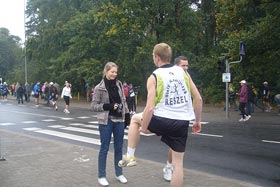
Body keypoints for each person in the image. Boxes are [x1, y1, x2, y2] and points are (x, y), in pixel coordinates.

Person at [118, 43, 203, 187]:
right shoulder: (184, 73)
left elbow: (150, 108)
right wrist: (197, 121)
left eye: (153, 55)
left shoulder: (154, 76)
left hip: (161, 120)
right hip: (181, 122)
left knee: (134, 119)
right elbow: (198, 99)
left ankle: (131, 155)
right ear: (169, 57)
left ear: (156, 57)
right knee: (178, 165)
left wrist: (144, 127)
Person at [91, 62, 130, 186]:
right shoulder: (99, 88)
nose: (114, 74)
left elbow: (123, 101)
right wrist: (109, 106)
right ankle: (101, 176)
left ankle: (119, 173)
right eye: (112, 72)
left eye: (115, 72)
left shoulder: (119, 84)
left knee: (119, 148)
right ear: (106, 71)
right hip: (106, 121)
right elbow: (93, 105)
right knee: (104, 148)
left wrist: (127, 115)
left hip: (119, 121)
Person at [163, 55, 190, 181]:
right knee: (174, 145)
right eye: (182, 65)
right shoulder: (169, 76)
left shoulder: (187, 77)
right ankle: (169, 167)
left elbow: (196, 98)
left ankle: (171, 167)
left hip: (183, 116)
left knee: (176, 146)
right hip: (170, 115)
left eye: (186, 65)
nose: (185, 68)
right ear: (176, 66)